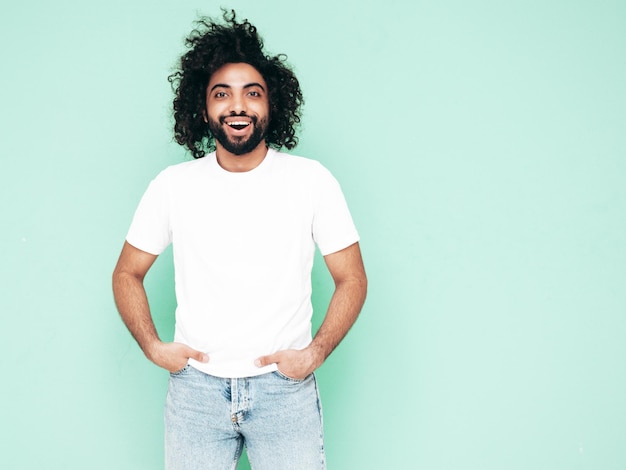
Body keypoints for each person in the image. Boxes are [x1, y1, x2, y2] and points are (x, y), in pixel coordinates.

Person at [112, 10, 367, 470]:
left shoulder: (311, 181)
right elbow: (127, 273)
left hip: (284, 391)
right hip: (196, 394)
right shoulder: (173, 185)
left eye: (253, 94)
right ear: (203, 107)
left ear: (272, 105)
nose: (238, 106)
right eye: (221, 94)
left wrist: (315, 352)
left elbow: (352, 278)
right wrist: (154, 346)